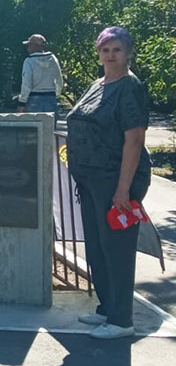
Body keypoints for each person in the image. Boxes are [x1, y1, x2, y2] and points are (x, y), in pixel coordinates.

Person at [66, 26, 151, 339]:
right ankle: (107, 307)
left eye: (117, 49)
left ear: (128, 53)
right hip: (91, 180)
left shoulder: (130, 87)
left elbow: (134, 140)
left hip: (116, 179)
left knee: (116, 248)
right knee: (98, 246)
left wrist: (123, 189)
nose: (111, 55)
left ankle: (121, 320)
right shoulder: (98, 84)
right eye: (105, 50)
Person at [18, 34, 63, 114]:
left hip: (33, 98)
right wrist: (57, 95)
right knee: (50, 125)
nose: (28, 47)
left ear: (34, 45)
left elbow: (26, 84)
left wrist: (22, 102)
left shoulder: (29, 61)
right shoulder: (53, 59)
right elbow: (59, 79)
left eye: (30, 44)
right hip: (50, 97)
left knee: (34, 125)